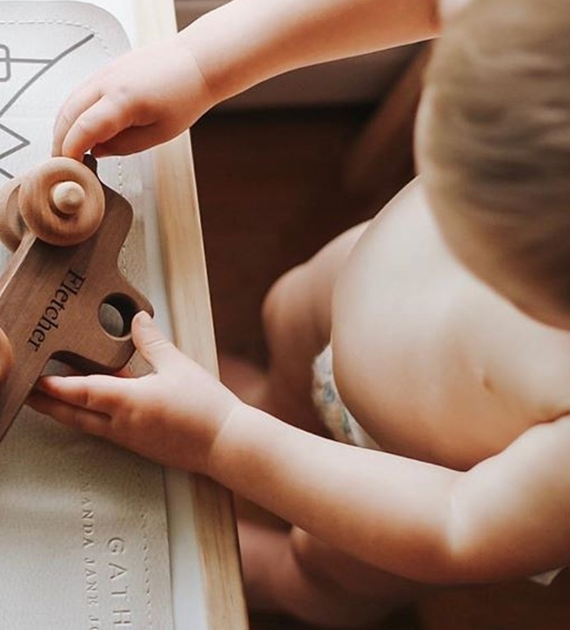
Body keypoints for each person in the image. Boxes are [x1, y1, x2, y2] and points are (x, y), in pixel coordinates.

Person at [29, 0, 570, 625]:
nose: (450, 242)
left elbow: (456, 526)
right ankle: (275, 403)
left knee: (329, 566)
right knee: (288, 313)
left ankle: (283, 579)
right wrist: (201, 65)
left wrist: (222, 436)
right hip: (351, 290)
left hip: (405, 471)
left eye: (482, 256)